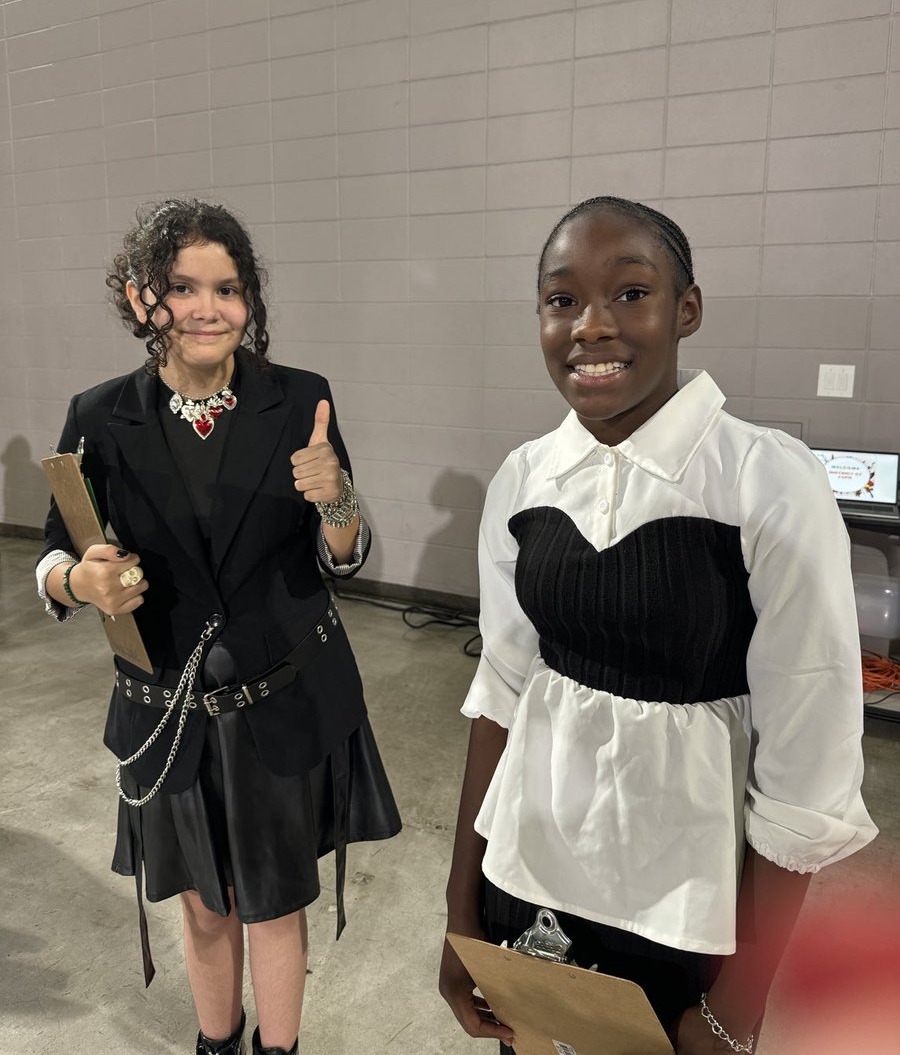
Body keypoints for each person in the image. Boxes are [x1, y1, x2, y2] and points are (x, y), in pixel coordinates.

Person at [439, 196, 877, 1053]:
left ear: (687, 310)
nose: (590, 326)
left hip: (681, 906)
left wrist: (734, 1011)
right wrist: (462, 920)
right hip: (525, 879)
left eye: (630, 293)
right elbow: (499, 700)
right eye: (562, 300)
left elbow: (805, 776)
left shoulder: (763, 482)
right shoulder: (525, 480)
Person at [37, 199, 401, 1055]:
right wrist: (80, 581)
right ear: (140, 301)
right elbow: (55, 552)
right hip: (168, 710)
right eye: (184, 288)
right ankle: (216, 1043)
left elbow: (339, 553)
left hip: (279, 697)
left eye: (229, 288)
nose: (210, 308)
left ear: (249, 300)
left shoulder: (299, 400)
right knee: (203, 905)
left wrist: (338, 497)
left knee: (275, 902)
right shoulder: (99, 417)